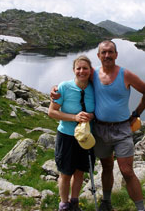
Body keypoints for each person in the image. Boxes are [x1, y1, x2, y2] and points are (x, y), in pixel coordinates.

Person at [52, 40, 145, 211]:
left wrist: (136, 114)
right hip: (99, 129)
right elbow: (78, 78)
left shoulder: (125, 74)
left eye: (110, 52)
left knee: (127, 170)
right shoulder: (94, 74)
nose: (107, 55)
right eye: (103, 52)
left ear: (116, 54)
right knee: (107, 166)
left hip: (122, 129)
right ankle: (106, 203)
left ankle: (140, 208)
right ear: (98, 56)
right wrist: (56, 90)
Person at [48, 55, 95, 211]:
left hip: (85, 137)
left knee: (80, 171)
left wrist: (91, 116)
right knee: (65, 173)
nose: (82, 71)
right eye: (78, 68)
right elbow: (52, 112)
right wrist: (74, 117)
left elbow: (97, 110)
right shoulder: (63, 87)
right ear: (73, 70)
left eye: (85, 68)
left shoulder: (94, 88)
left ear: (90, 70)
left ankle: (74, 202)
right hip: (67, 136)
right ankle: (64, 204)